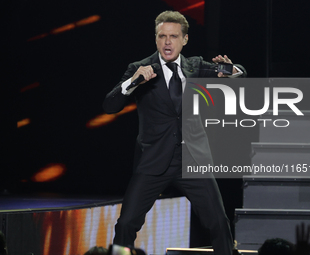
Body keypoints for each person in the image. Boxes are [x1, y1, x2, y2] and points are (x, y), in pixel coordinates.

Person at [103, 10, 246, 255]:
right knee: (126, 224)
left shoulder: (195, 66)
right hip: (153, 161)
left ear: (185, 39)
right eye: (162, 36)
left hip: (193, 160)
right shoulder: (140, 69)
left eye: (173, 36)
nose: (167, 42)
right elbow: (109, 105)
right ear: (156, 39)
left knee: (219, 223)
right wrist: (134, 81)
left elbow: (238, 73)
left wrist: (230, 69)